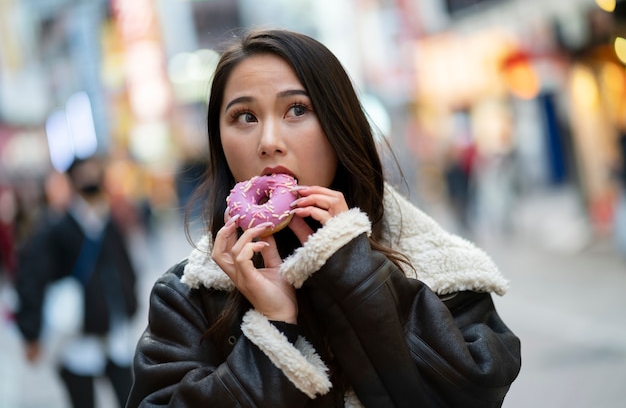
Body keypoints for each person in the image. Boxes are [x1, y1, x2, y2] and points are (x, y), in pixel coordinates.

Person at [127, 28, 521, 408]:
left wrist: (355, 272)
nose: (268, 142)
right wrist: (274, 328)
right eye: (244, 116)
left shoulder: (442, 269)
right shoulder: (186, 296)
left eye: (297, 109)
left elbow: (471, 393)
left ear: (339, 128)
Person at [15, 156, 138, 408]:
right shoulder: (56, 228)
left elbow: (125, 266)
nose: (90, 179)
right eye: (83, 174)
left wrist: (131, 301)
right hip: (75, 335)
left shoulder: (108, 222)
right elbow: (31, 277)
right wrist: (31, 332)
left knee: (130, 398)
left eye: (94, 173)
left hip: (114, 329)